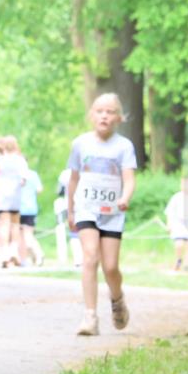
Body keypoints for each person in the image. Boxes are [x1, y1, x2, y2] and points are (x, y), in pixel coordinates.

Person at [66, 92, 137, 336]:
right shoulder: (80, 144)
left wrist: (124, 198)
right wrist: (71, 209)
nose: (104, 115)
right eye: (100, 111)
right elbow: (73, 179)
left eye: (110, 112)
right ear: (92, 115)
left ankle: (117, 300)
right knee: (89, 257)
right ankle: (90, 316)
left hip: (112, 212)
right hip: (86, 207)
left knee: (110, 267)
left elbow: (129, 179)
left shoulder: (124, 146)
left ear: (118, 117)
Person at [0, 135, 28, 268]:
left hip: (2, 195)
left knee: (4, 225)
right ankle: (14, 251)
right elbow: (24, 179)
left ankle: (4, 254)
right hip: (15, 195)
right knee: (15, 225)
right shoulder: (20, 160)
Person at [165, 175, 188, 272]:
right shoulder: (176, 198)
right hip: (178, 226)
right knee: (179, 245)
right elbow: (169, 212)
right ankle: (178, 260)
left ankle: (187, 266)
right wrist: (169, 224)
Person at [18, 164, 44, 266]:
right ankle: (25, 259)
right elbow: (39, 189)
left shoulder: (17, 175)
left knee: (22, 236)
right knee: (28, 234)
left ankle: (37, 254)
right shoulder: (33, 174)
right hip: (31, 208)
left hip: (18, 208)